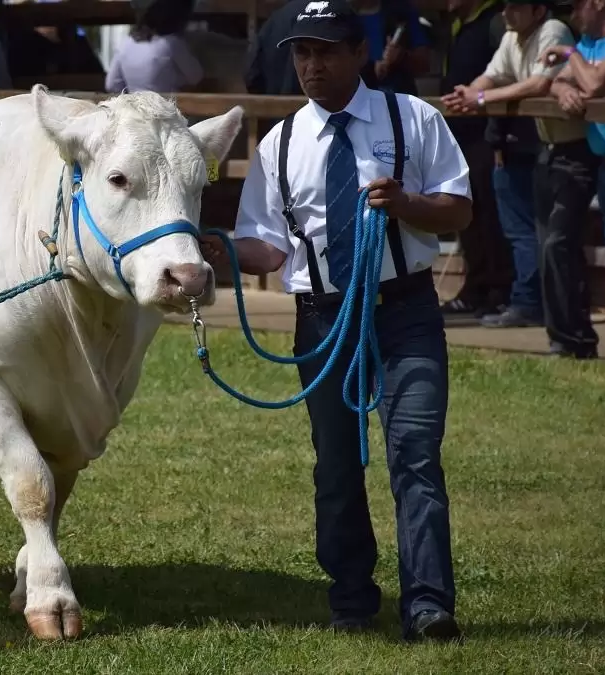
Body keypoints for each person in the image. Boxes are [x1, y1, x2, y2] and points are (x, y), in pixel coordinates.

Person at [201, 0, 470, 642]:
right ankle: (351, 600)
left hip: (404, 312)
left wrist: (407, 204)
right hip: (323, 321)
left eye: (325, 51)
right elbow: (269, 248)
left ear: (358, 53)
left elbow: (459, 210)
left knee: (414, 454)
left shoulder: (414, 118)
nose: (311, 66)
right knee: (337, 465)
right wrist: (215, 249)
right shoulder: (280, 144)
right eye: (302, 53)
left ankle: (428, 605)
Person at [444, 0, 582, 330]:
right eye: (506, 6)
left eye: (516, 7)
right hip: (538, 146)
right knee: (524, 232)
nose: (507, 13)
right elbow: (491, 76)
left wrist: (480, 99)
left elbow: (538, 83)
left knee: (552, 237)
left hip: (568, 148)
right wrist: (468, 93)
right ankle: (529, 304)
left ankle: (541, 308)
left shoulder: (553, 30)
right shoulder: (511, 35)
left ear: (538, 11)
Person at [541, 0, 605, 357]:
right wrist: (564, 90)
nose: (572, 16)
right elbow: (557, 82)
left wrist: (570, 54)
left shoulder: (587, 47)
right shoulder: (587, 46)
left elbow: (596, 84)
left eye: (577, 6)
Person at [436, 0, 518, 320]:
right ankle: (476, 288)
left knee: (492, 218)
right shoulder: (457, 25)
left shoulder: (494, 23)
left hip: (487, 136)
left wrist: (498, 136)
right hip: (460, 138)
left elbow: (505, 76)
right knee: (468, 214)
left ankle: (499, 292)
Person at [104, 0, 204, 93]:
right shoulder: (171, 43)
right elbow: (196, 77)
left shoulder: (125, 43)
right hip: (165, 104)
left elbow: (111, 85)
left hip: (134, 103)